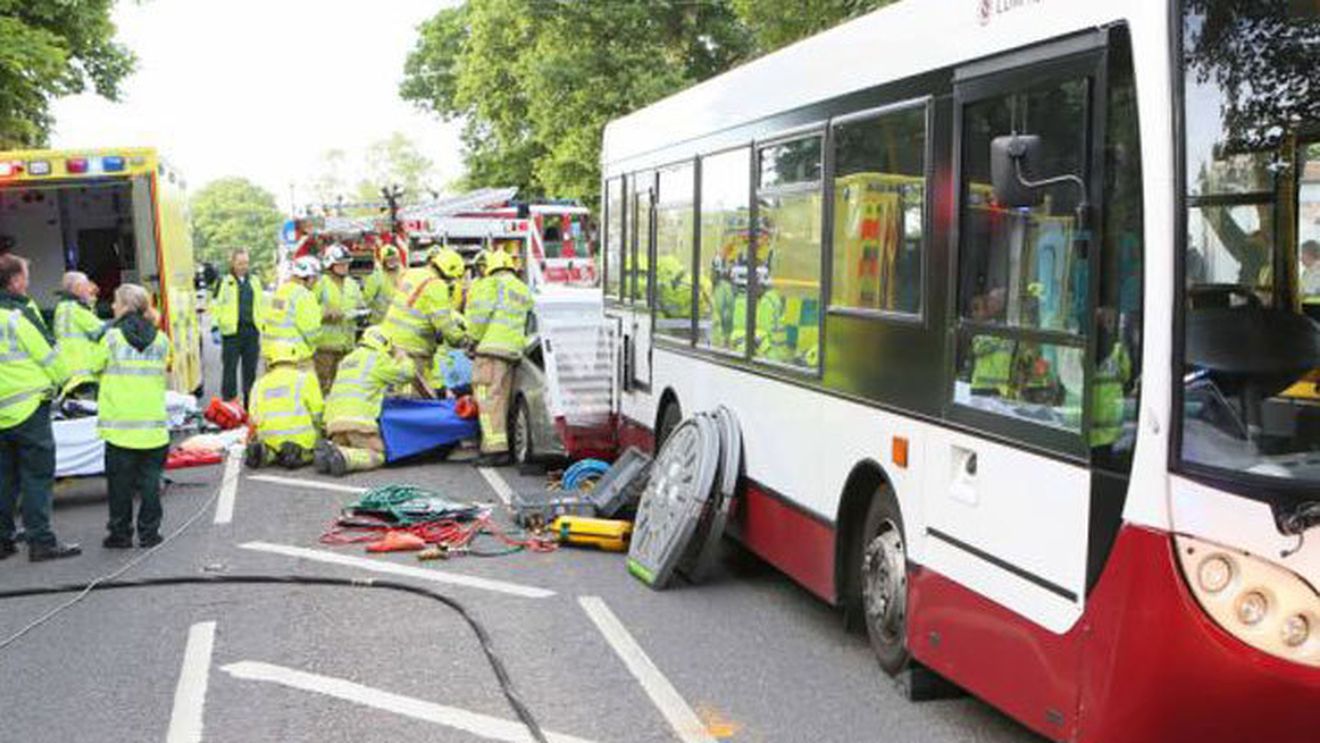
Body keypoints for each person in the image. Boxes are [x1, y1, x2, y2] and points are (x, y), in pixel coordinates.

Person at [0, 255, 80, 561]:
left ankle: (3, 540)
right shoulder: (18, 317)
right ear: (15, 281)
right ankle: (41, 541)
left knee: (4, 478)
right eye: (25, 276)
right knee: (36, 477)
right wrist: (66, 381)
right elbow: (50, 358)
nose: (28, 281)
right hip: (29, 407)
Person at [89, 284, 171, 549]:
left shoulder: (111, 338)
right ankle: (149, 534)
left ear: (125, 305)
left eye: (115, 301)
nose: (112, 306)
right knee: (150, 483)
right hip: (153, 426)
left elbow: (93, 367)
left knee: (120, 486)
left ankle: (120, 534)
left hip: (120, 427)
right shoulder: (161, 340)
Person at [317, 326, 417, 476]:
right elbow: (407, 373)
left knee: (346, 445)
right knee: (377, 454)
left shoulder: (347, 360)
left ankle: (334, 450)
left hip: (334, 423)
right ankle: (345, 458)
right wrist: (402, 355)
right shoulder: (378, 358)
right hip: (359, 423)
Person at [466, 250, 533, 466]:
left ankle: (494, 450)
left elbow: (478, 317)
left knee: (487, 398)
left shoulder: (489, 284)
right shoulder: (522, 288)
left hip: (490, 349)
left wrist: (472, 340)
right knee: (502, 399)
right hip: (512, 351)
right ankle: (503, 445)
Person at [380, 246, 471, 388]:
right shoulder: (436, 285)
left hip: (388, 341)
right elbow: (444, 323)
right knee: (412, 398)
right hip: (412, 347)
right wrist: (462, 340)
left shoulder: (410, 273)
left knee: (394, 392)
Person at [246, 346, 323, 469]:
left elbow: (253, 417)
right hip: (300, 437)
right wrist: (321, 434)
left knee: (272, 449)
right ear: (295, 359)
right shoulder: (305, 378)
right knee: (313, 449)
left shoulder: (259, 383)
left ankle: (267, 452)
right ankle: (298, 453)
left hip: (269, 437)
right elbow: (318, 412)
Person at [211, 248, 265, 406]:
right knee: (229, 372)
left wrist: (264, 326)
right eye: (240, 263)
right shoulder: (224, 281)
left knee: (250, 372)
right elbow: (216, 305)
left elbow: (261, 305)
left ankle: (249, 405)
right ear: (233, 263)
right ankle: (229, 405)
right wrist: (215, 326)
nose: (243, 266)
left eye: (246, 263)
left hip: (251, 331)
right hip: (232, 333)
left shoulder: (254, 281)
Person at [313, 245, 364, 395]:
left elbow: (360, 305)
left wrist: (362, 313)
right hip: (325, 347)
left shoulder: (352, 285)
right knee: (322, 385)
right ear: (330, 264)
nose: (345, 267)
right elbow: (307, 308)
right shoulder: (320, 284)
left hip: (346, 347)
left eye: (347, 263)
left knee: (342, 387)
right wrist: (325, 313)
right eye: (341, 264)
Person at [261, 256, 322, 367]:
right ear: (309, 277)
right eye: (315, 278)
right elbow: (313, 332)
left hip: (272, 356)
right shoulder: (305, 295)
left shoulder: (279, 292)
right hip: (296, 357)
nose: (315, 283)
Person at [53, 271, 105, 394]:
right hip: (82, 374)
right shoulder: (74, 309)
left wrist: (90, 301)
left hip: (70, 372)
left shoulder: (64, 307)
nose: (89, 288)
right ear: (77, 287)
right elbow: (100, 330)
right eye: (86, 285)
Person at [363, 242, 404, 324]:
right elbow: (366, 299)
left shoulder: (404, 274)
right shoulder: (376, 276)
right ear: (383, 261)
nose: (392, 262)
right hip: (379, 322)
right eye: (388, 259)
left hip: (399, 321)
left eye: (394, 258)